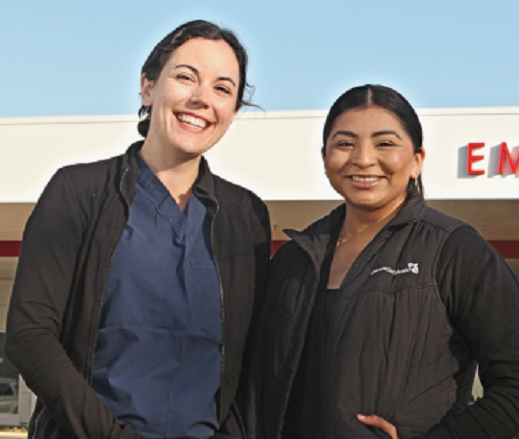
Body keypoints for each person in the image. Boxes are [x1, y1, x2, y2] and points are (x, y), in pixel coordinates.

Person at [5, 20, 271, 439]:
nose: (202, 99)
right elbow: (29, 335)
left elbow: (254, 356)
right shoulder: (79, 192)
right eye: (186, 77)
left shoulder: (247, 216)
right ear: (148, 87)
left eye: (223, 88)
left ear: (234, 111)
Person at [245, 85, 519, 439]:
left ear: (417, 160)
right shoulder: (293, 257)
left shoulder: (455, 249)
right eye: (345, 143)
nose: (362, 158)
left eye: (384, 143)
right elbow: (256, 386)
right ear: (324, 156)